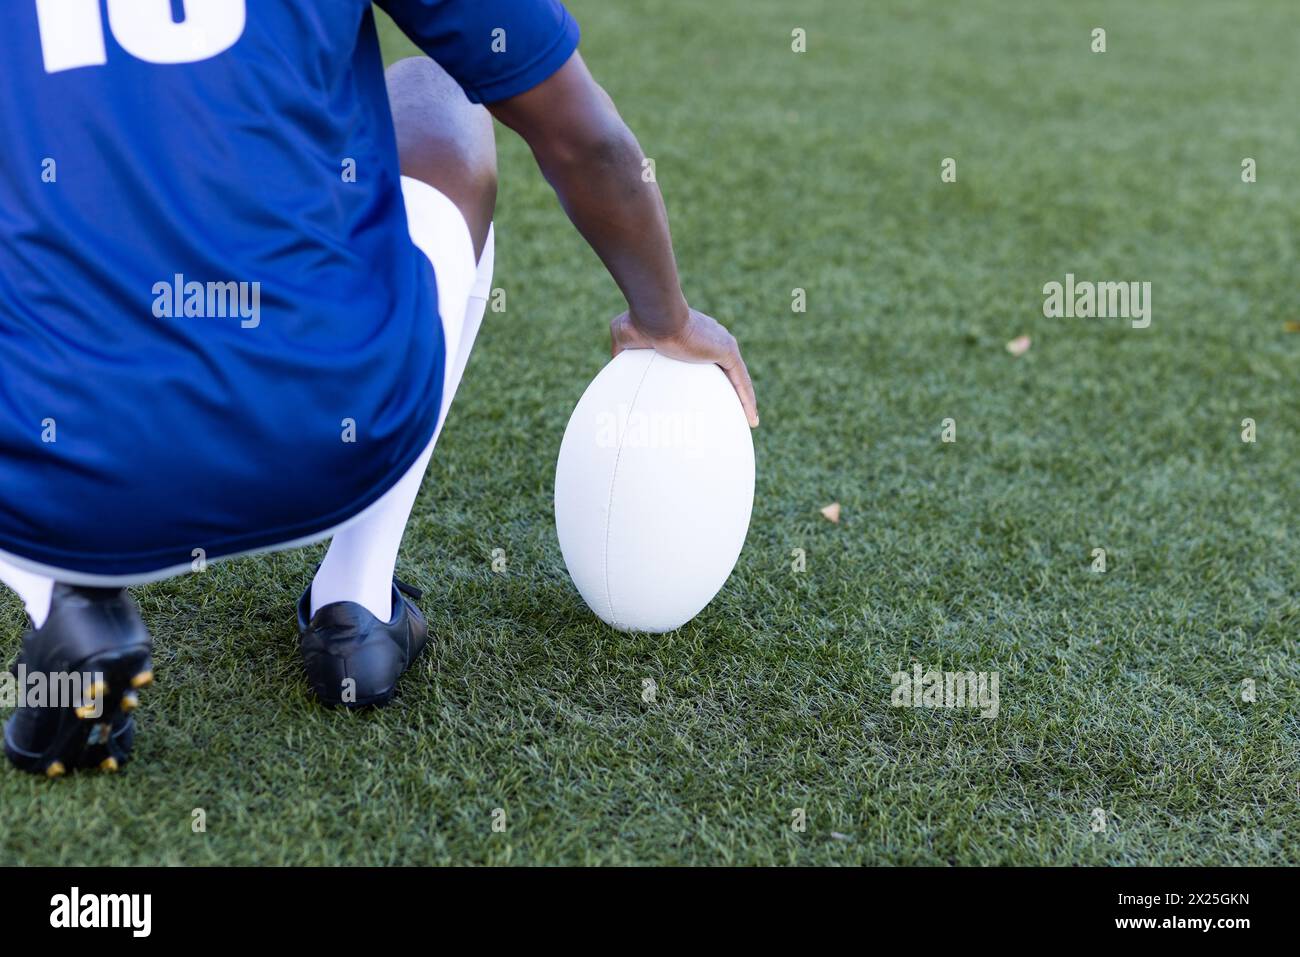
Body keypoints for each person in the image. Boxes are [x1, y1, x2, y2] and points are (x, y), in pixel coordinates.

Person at [0, 0, 757, 777]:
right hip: (328, 421)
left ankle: (63, 598)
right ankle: (354, 608)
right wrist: (663, 314)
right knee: (442, 92)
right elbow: (579, 133)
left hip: (54, 458)